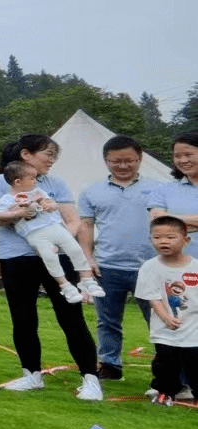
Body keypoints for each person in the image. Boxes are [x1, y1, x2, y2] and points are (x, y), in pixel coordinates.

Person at [0, 135, 103, 400]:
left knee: (71, 316)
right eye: (48, 154)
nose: (52, 160)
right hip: (16, 256)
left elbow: (73, 221)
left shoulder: (55, 183)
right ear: (26, 154)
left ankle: (91, 379)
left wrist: (57, 240)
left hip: (56, 254)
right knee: (23, 318)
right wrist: (22, 213)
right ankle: (31, 375)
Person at [77, 135, 156, 382]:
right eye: (116, 161)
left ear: (140, 159)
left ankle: (166, 367)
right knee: (108, 320)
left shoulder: (157, 188)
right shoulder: (92, 191)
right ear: (106, 161)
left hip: (150, 267)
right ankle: (110, 365)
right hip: (107, 266)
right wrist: (88, 258)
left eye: (129, 161)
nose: (123, 166)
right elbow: (86, 227)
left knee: (159, 321)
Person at [0, 161, 106, 303]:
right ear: (18, 181)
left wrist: (49, 205)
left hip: (55, 227)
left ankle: (87, 279)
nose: (35, 181)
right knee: (49, 257)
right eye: (32, 178)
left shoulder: (38, 192)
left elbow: (54, 204)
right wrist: (18, 213)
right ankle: (65, 286)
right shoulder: (7, 199)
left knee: (75, 249)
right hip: (34, 234)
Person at [134, 216, 198, 403]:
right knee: (165, 363)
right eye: (157, 237)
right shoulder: (149, 267)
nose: (163, 241)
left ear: (186, 240)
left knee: (195, 364)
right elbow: (152, 297)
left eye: (170, 237)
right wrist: (166, 318)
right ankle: (165, 391)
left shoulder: (195, 267)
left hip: (194, 329)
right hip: (165, 329)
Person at [149, 131, 198, 259]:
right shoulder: (163, 189)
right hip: (174, 267)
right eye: (177, 156)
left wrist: (171, 218)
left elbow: (166, 223)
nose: (183, 160)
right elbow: (158, 223)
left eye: (188, 155)